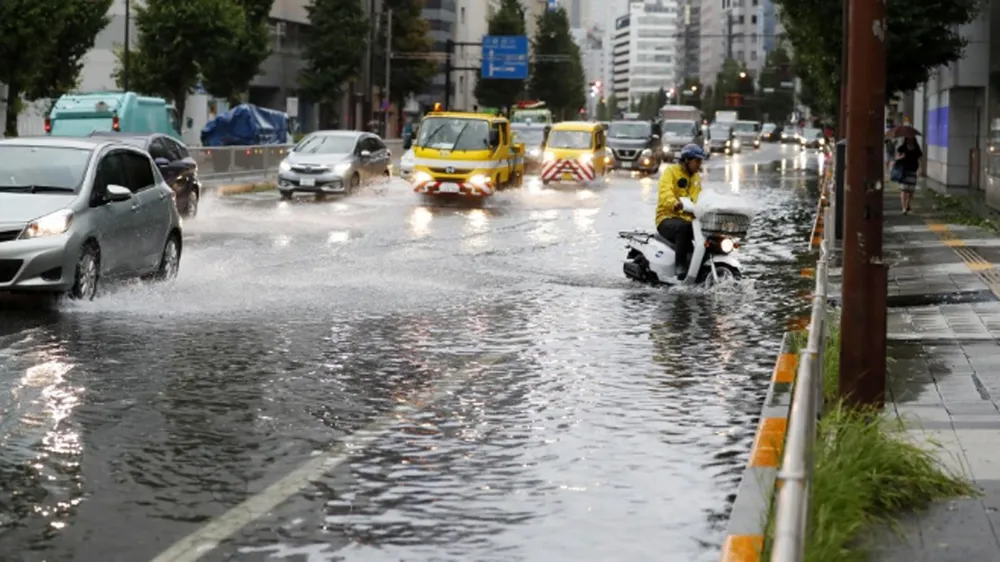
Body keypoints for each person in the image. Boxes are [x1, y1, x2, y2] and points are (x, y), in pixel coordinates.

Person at [656, 143, 705, 280]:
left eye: (700, 161)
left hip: (689, 221)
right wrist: (675, 203)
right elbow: (665, 193)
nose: (699, 165)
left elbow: (699, 198)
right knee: (683, 228)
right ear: (686, 160)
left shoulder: (696, 178)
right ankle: (680, 268)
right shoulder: (670, 172)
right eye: (697, 161)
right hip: (666, 218)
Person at [895, 136, 922, 214]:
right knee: (903, 190)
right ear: (906, 139)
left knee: (911, 191)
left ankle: (907, 204)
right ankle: (904, 207)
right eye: (908, 139)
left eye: (911, 139)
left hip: (913, 171)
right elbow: (896, 157)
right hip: (904, 171)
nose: (910, 140)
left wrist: (920, 169)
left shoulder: (917, 148)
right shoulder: (902, 148)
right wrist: (901, 157)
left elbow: (920, 159)